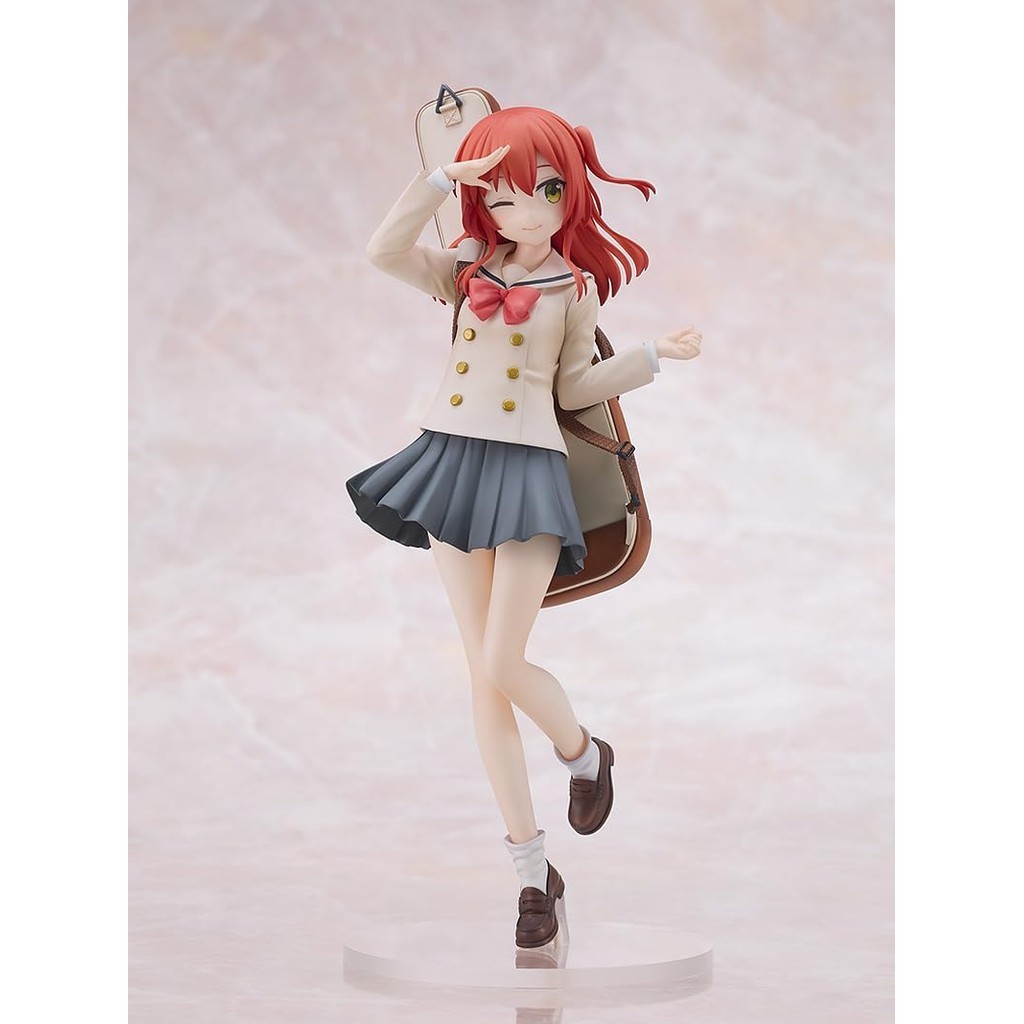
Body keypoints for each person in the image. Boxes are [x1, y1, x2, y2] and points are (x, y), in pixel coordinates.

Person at [346, 106, 702, 948]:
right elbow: (383, 252)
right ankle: (531, 875)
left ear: (569, 190)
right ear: (483, 202)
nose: (528, 211)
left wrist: (650, 357)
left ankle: (583, 753)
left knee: (504, 661)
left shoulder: (571, 289)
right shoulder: (466, 266)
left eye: (544, 190)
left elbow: (574, 387)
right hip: (451, 464)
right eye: (504, 196)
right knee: (482, 678)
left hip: (530, 474)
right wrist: (438, 181)